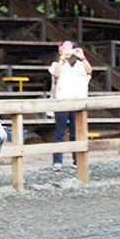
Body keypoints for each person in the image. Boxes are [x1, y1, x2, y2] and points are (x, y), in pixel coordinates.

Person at [49, 40, 92, 171]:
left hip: (78, 101)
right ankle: (57, 161)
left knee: (76, 132)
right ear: (60, 51)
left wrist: (82, 57)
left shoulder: (79, 64)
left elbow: (89, 71)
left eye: (70, 49)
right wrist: (62, 60)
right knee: (59, 132)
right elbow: (56, 74)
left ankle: (77, 160)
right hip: (62, 101)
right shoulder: (56, 64)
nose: (67, 51)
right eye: (64, 49)